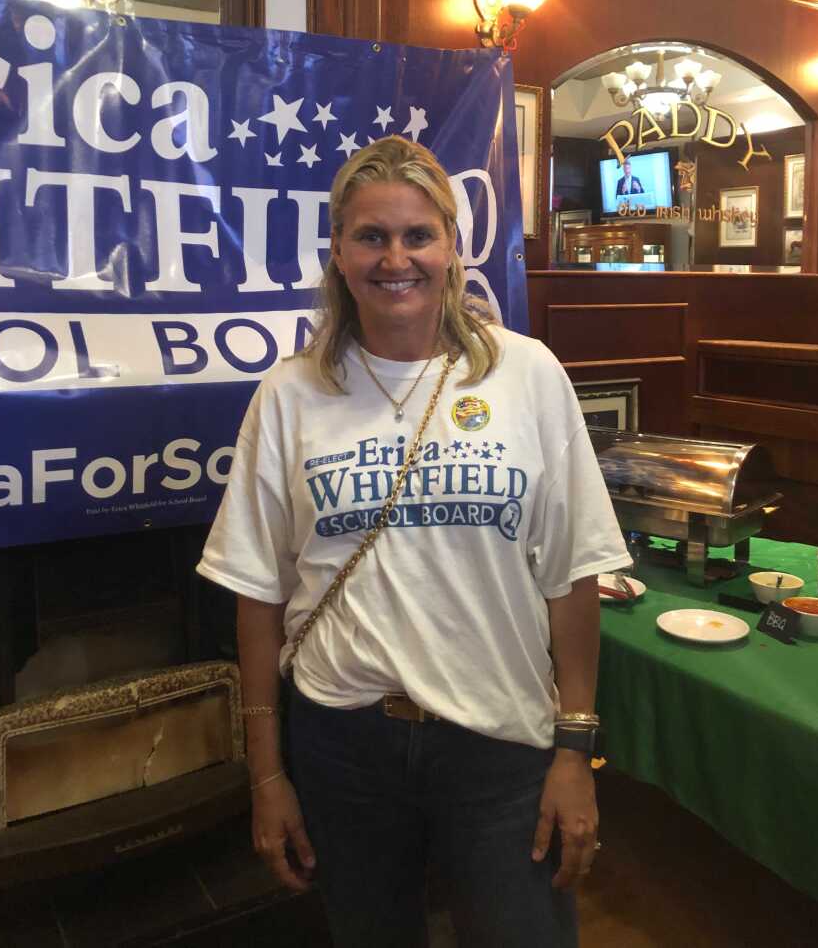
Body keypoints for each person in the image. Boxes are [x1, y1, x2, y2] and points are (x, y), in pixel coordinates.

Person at [198, 134, 631, 948]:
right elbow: (256, 597)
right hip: (344, 742)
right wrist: (266, 774)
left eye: (417, 235)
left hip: (500, 743)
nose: (395, 257)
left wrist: (575, 747)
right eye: (371, 235)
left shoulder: (528, 374)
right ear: (339, 251)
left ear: (452, 248)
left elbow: (571, 574)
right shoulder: (289, 395)